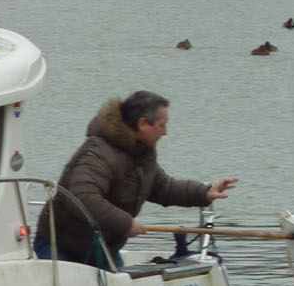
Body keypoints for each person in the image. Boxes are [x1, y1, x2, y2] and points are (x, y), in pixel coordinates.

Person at [34, 90, 237, 268]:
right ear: (142, 124)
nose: (165, 133)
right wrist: (126, 224)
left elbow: (162, 188)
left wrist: (204, 193)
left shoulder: (142, 154)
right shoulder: (98, 153)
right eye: (162, 125)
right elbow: (81, 196)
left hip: (102, 248)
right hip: (60, 245)